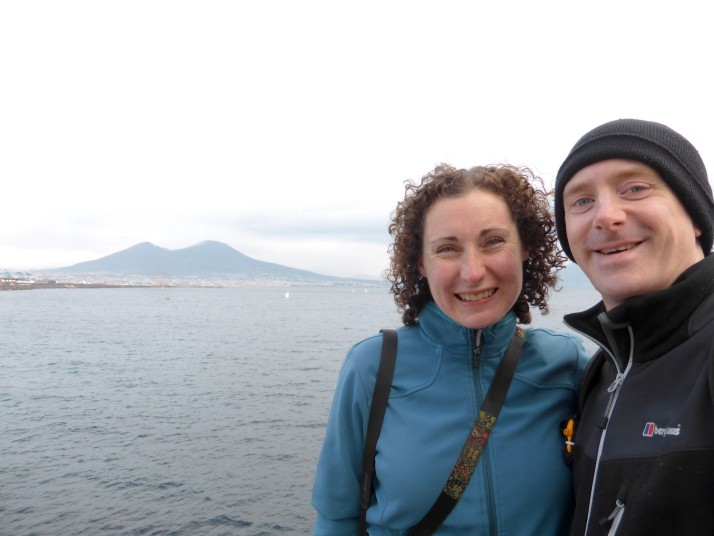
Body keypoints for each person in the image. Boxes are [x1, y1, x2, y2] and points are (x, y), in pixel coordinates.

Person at [312, 163, 590, 535]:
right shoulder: (373, 367)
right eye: (447, 248)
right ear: (421, 264)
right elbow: (337, 519)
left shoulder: (568, 363)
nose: (472, 272)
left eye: (492, 241)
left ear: (526, 247)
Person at [554, 118, 714, 535]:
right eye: (582, 201)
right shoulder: (604, 368)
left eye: (635, 189)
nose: (606, 216)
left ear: (697, 216)